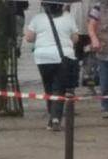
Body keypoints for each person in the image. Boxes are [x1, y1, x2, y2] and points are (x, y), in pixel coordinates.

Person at [25, 1, 79, 131]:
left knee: (48, 88)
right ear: (61, 5)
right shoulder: (68, 17)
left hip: (43, 58)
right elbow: (75, 38)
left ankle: (51, 114)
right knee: (59, 88)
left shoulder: (37, 18)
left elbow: (29, 38)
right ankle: (55, 119)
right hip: (63, 57)